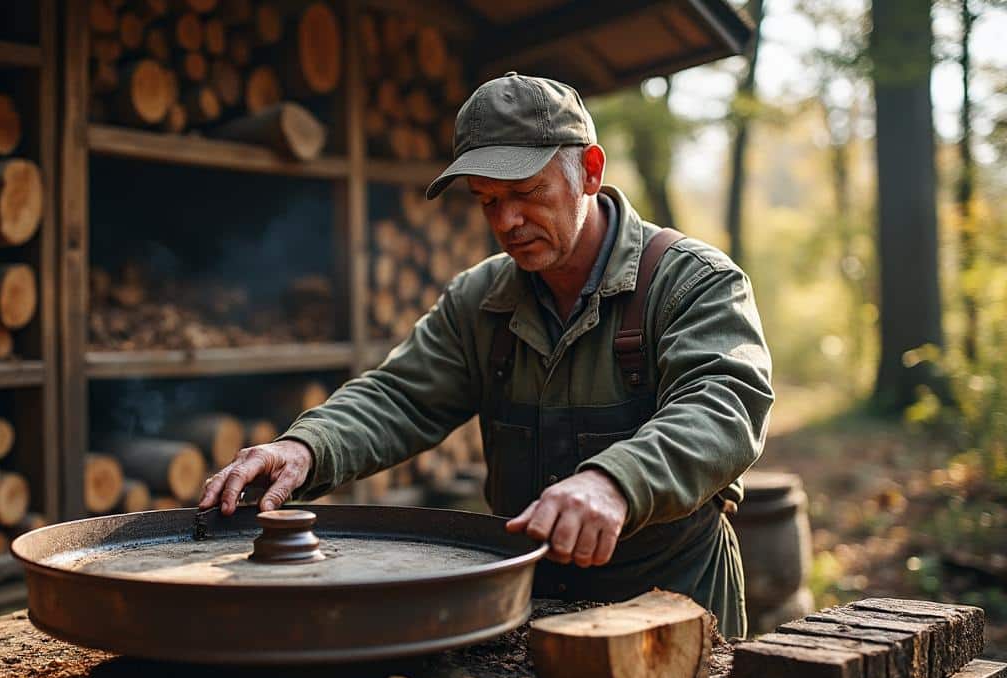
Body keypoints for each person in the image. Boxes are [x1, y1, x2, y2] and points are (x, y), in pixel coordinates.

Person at [198, 73, 773, 638]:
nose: (506, 223)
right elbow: (399, 397)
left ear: (590, 171)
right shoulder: (481, 298)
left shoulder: (692, 283)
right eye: (487, 200)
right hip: (525, 608)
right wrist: (305, 447)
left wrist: (615, 482)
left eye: (526, 193)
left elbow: (722, 407)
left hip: (671, 607)